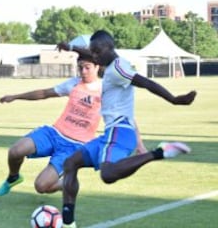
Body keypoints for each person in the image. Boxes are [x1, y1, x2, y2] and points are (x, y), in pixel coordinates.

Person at [57, 30, 197, 228]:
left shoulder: (119, 68)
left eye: (97, 52)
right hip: (110, 133)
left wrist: (174, 99)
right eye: (93, 52)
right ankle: (68, 224)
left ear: (108, 47)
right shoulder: (108, 62)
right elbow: (88, 53)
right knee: (71, 163)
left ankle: (159, 152)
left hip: (120, 130)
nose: (94, 57)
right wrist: (70, 47)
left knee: (107, 175)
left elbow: (145, 82)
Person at [0, 52, 147, 196]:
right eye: (80, 67)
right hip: (53, 134)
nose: (83, 71)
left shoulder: (106, 91)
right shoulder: (73, 84)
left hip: (75, 146)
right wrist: (15, 96)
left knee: (41, 186)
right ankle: (13, 177)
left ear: (97, 67)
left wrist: (139, 144)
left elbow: (126, 118)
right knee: (15, 151)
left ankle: (68, 183)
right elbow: (44, 93)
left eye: (87, 67)